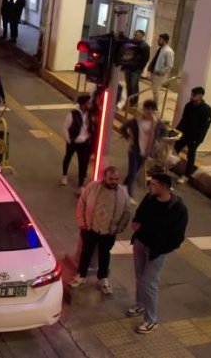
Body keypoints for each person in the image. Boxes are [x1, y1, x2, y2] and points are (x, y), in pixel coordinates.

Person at [126, 173, 188, 334]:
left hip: (157, 251)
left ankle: (151, 320)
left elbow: (178, 237)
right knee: (139, 276)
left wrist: (162, 248)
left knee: (150, 283)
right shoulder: (150, 198)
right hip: (141, 243)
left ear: (163, 186)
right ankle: (140, 305)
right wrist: (136, 223)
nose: (149, 186)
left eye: (153, 184)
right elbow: (139, 213)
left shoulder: (177, 209)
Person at [69, 166, 132, 295]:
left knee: (104, 255)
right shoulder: (92, 187)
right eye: (111, 179)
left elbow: (126, 212)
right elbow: (82, 204)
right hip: (90, 228)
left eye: (116, 179)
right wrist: (82, 223)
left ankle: (103, 279)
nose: (114, 181)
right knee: (86, 252)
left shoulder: (123, 192)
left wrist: (119, 228)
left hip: (109, 232)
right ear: (104, 177)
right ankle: (81, 275)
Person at [120, 99, 165, 196]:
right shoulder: (136, 120)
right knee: (132, 173)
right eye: (147, 109)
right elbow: (123, 128)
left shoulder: (157, 123)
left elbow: (163, 131)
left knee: (133, 172)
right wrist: (129, 138)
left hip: (146, 151)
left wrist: (157, 140)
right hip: (134, 149)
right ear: (143, 109)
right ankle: (128, 195)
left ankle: (122, 188)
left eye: (152, 110)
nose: (149, 112)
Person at [174, 86, 211, 183]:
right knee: (174, 150)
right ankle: (167, 166)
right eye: (191, 94)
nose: (191, 97)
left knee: (190, 156)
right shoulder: (189, 105)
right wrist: (176, 131)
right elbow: (183, 120)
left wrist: (198, 139)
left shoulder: (207, 110)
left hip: (194, 138)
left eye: (194, 95)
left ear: (200, 96)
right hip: (184, 134)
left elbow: (204, 127)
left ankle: (186, 176)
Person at [62, 94, 95, 189]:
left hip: (85, 143)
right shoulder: (73, 114)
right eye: (89, 103)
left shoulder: (90, 114)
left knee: (83, 163)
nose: (90, 104)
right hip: (73, 141)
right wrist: (69, 140)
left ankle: (81, 184)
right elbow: (65, 127)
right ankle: (64, 175)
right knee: (68, 157)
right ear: (84, 104)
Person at [122, 30, 150, 107]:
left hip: (136, 70)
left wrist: (139, 68)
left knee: (134, 85)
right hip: (128, 67)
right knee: (128, 84)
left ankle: (134, 101)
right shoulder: (132, 43)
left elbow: (145, 59)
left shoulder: (145, 46)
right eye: (134, 34)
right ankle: (129, 99)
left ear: (142, 36)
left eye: (137, 35)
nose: (134, 36)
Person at [147, 33, 174, 106]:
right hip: (154, 72)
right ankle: (154, 104)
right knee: (154, 89)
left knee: (156, 90)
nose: (158, 41)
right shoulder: (160, 48)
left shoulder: (169, 51)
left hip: (159, 74)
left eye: (160, 40)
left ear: (165, 41)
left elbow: (169, 65)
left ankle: (155, 106)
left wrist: (160, 72)